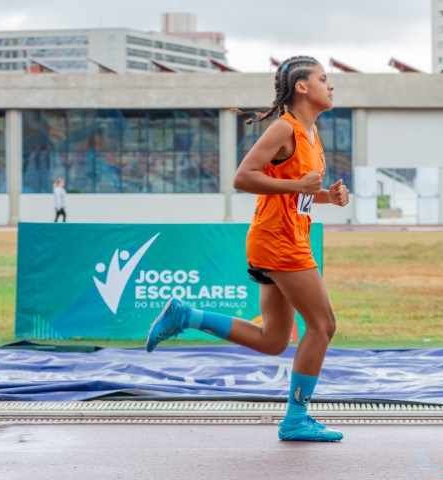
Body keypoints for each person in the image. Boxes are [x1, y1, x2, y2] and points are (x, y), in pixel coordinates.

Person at [145, 56, 349, 442]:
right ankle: (296, 419)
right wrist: (298, 186)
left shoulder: (310, 133)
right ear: (302, 87)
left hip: (285, 237)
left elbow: (294, 192)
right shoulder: (284, 128)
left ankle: (186, 315)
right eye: (324, 79)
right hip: (280, 241)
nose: (331, 85)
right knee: (323, 326)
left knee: (273, 340)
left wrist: (327, 196)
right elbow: (242, 178)